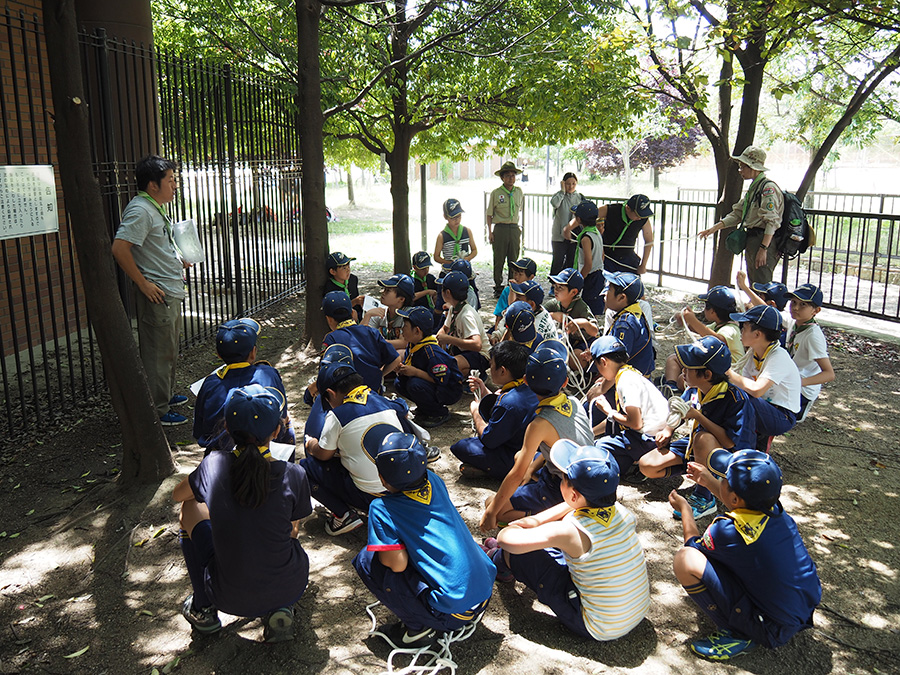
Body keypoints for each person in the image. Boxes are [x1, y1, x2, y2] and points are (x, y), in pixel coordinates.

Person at [174, 385, 312, 642]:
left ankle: (203, 609)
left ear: (226, 427)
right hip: (288, 587)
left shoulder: (213, 464)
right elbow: (293, 531)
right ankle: (280, 608)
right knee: (283, 536)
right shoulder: (294, 474)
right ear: (277, 431)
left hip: (228, 596)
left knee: (190, 507)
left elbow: (178, 495)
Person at [489, 440, 650, 641]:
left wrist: (515, 527)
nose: (560, 481)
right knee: (555, 551)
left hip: (595, 625)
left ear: (574, 494)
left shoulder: (569, 530)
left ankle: (498, 561)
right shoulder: (623, 513)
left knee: (515, 553)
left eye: (563, 478)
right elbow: (573, 506)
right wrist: (537, 520)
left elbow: (508, 541)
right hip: (635, 611)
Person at [668, 449, 821, 660]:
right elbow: (738, 502)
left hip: (770, 627)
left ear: (734, 497)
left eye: (723, 478)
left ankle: (740, 634)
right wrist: (710, 482)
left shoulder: (725, 531)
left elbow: (693, 547)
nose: (720, 479)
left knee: (685, 560)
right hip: (801, 608)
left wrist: (686, 510)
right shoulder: (776, 511)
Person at [352, 433, 496, 649]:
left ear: (382, 478)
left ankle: (418, 629)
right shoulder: (434, 480)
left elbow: (397, 564)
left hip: (453, 613)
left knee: (367, 559)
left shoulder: (381, 508)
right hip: (482, 594)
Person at [640, 336, 756, 520]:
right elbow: (680, 410)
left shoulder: (735, 399)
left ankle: (705, 496)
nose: (683, 371)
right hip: (696, 447)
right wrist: (668, 430)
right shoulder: (694, 388)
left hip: (727, 456)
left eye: (688, 368)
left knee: (704, 437)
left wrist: (698, 416)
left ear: (707, 375)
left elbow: (729, 441)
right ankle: (696, 470)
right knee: (647, 465)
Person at [111, 155, 190, 425]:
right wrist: (143, 283)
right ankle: (158, 410)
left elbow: (155, 246)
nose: (175, 185)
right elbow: (120, 248)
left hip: (170, 291)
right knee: (157, 353)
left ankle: (165, 395)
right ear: (152, 185)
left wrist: (179, 257)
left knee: (168, 349)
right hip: (158, 295)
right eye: (170, 180)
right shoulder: (140, 210)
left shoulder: (153, 207)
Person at [479, 345, 593, 531]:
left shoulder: (539, 424)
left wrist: (491, 512)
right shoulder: (574, 403)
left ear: (525, 380)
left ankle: (555, 516)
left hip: (563, 486)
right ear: (565, 382)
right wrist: (531, 467)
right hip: (585, 476)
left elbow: (516, 474)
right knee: (520, 457)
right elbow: (563, 445)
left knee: (493, 504)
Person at [301, 362, 410, 536]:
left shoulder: (338, 415)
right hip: (403, 487)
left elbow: (323, 454)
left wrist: (310, 444)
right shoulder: (381, 401)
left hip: (371, 495)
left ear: (330, 393)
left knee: (304, 467)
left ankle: (343, 515)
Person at [194, 318, 294, 455]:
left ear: (218, 354)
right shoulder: (268, 375)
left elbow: (199, 431)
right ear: (253, 352)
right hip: (264, 453)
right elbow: (281, 417)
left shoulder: (210, 383)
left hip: (219, 456)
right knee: (287, 425)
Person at [452, 341, 538, 479]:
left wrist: (475, 411)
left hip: (517, 454)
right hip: (535, 451)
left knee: (462, 447)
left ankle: (496, 471)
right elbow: (501, 402)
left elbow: (488, 439)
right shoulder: (531, 386)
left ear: (502, 370)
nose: (489, 369)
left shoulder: (508, 402)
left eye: (492, 365)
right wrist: (484, 390)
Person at [699, 146, 784, 285]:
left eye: (743, 167)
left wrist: (763, 248)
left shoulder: (768, 188)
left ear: (753, 167)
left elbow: (772, 222)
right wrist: (714, 229)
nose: (740, 171)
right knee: (754, 284)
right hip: (752, 240)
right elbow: (738, 214)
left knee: (762, 287)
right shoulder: (754, 188)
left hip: (762, 240)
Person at [588, 337, 668, 475]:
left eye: (597, 367)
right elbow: (618, 420)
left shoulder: (625, 382)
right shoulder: (628, 372)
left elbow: (635, 423)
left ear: (603, 362)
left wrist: (609, 411)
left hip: (650, 438)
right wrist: (590, 434)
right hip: (658, 432)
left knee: (600, 447)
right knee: (611, 431)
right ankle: (629, 463)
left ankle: (635, 462)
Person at [727, 305, 801, 450]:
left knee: (742, 400)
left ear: (757, 334)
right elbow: (745, 385)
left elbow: (756, 390)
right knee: (733, 395)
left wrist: (727, 372)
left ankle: (746, 448)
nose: (740, 331)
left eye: (744, 327)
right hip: (766, 406)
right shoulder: (754, 353)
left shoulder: (778, 356)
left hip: (782, 415)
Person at [660, 285, 744, 395]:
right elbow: (701, 330)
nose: (704, 310)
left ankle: (676, 385)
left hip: (724, 373)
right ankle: (670, 386)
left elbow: (718, 341)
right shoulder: (718, 325)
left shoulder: (731, 329)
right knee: (673, 359)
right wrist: (686, 321)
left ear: (713, 311)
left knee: (683, 378)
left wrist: (693, 320)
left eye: (706, 307)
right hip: (712, 366)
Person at [394, 306, 464, 428]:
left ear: (417, 331)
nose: (401, 330)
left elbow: (441, 380)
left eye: (404, 327)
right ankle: (425, 408)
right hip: (432, 384)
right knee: (400, 382)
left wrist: (415, 372)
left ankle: (439, 413)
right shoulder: (413, 345)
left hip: (449, 389)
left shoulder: (432, 353)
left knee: (415, 384)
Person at [320, 291, 401, 394]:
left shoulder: (331, 338)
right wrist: (379, 375)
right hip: (373, 394)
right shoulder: (371, 332)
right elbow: (396, 359)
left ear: (329, 319)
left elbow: (325, 372)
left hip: (346, 397)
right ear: (353, 313)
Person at [783, 284, 834, 421]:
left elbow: (829, 374)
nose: (795, 308)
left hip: (802, 391)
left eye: (803, 304)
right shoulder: (796, 323)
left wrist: (799, 382)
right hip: (788, 380)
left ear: (816, 310)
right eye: (793, 302)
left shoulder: (812, 335)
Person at [436, 271, 490, 377]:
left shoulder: (466, 315)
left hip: (480, 355)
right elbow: (445, 328)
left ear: (447, 292)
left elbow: (477, 344)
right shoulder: (454, 308)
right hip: (462, 350)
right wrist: (440, 335)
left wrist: (448, 339)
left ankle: (478, 374)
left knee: (445, 368)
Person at [486, 161, 524, 295]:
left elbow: (520, 211)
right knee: (499, 259)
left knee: (513, 259)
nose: (510, 178)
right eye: (507, 176)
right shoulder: (496, 193)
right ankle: (498, 285)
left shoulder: (519, 192)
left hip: (513, 228)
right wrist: (490, 232)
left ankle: (511, 286)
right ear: (502, 178)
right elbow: (489, 214)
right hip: (500, 229)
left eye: (513, 175)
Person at [563, 201, 605, 315]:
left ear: (579, 219)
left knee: (588, 307)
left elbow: (588, 264)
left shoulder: (585, 238)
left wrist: (580, 279)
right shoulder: (596, 231)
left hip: (590, 276)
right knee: (594, 306)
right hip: (598, 274)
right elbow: (602, 255)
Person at [597, 195, 654, 275]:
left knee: (631, 284)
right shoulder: (612, 209)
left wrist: (643, 265)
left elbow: (649, 241)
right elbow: (588, 216)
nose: (640, 218)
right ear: (627, 208)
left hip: (627, 256)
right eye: (637, 214)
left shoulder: (643, 219)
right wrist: (572, 228)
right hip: (606, 256)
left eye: (642, 215)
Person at [364, 273, 415, 349]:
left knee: (401, 353)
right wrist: (367, 315)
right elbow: (361, 336)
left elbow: (404, 343)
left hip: (404, 357)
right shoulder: (380, 312)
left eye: (387, 291)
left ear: (401, 299)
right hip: (385, 353)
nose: (383, 293)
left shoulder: (409, 315)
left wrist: (377, 342)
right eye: (384, 289)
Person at [550, 173, 584, 274]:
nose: (571, 186)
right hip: (559, 236)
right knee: (557, 261)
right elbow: (554, 203)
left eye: (573, 183)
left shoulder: (580, 198)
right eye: (568, 184)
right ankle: (554, 284)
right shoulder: (559, 196)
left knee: (572, 262)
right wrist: (562, 191)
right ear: (563, 184)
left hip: (574, 237)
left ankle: (569, 285)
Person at [433, 198, 477, 275]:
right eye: (453, 217)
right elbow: (436, 257)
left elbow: (474, 250)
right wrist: (450, 263)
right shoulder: (442, 236)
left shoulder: (467, 231)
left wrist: (467, 258)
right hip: (448, 272)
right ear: (445, 217)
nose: (457, 220)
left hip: (465, 270)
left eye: (459, 216)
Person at [492, 257, 537, 331]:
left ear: (531, 277)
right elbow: (499, 318)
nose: (516, 277)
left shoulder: (534, 292)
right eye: (515, 273)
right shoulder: (507, 291)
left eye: (520, 274)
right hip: (505, 326)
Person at [323, 252, 364, 322]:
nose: (348, 270)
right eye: (344, 268)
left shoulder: (353, 279)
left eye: (348, 266)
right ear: (333, 272)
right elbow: (336, 310)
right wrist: (354, 302)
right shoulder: (330, 288)